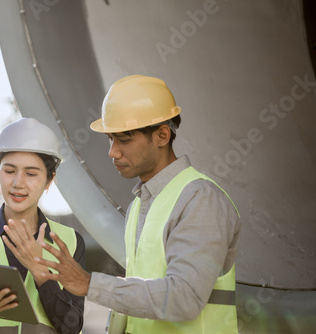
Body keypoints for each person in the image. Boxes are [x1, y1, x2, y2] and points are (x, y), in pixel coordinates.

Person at [36, 75, 241, 333]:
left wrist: (89, 283)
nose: (113, 152)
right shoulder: (140, 205)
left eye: (124, 139)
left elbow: (185, 299)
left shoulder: (200, 199)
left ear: (162, 135)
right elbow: (140, 298)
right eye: (110, 139)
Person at [0, 118, 85, 334]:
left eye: (31, 173)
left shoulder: (70, 242)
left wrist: (40, 271)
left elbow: (72, 327)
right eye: (9, 171)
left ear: (49, 180)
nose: (18, 183)